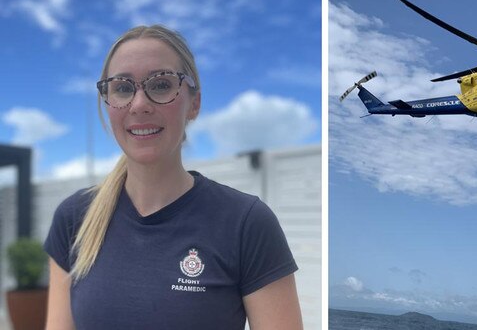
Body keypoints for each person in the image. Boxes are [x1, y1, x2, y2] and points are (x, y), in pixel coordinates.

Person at [44, 25, 303, 330]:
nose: (139, 104)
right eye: (123, 88)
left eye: (161, 84)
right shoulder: (75, 218)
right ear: (107, 101)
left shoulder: (245, 223)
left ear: (194, 103)